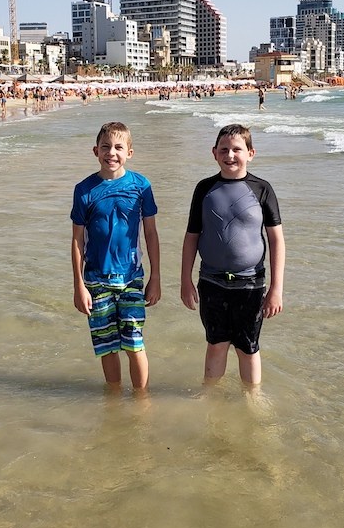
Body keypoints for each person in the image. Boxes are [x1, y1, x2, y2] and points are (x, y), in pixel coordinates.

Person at [180, 123, 285, 389]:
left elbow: (276, 240)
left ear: (251, 153)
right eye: (224, 149)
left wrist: (276, 289)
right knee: (216, 343)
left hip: (250, 284)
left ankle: (252, 398)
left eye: (237, 149)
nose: (230, 155)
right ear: (214, 153)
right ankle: (209, 395)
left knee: (247, 347)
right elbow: (191, 236)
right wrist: (185, 281)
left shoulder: (262, 189)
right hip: (211, 282)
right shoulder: (204, 189)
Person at [70, 121, 161, 392]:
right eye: (106, 147)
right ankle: (113, 396)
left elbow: (151, 234)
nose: (112, 153)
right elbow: (77, 240)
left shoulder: (141, 186)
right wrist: (78, 285)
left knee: (134, 342)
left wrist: (156, 277)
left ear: (129, 152)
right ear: (95, 151)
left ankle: (141, 400)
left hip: (131, 277)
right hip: (95, 279)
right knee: (106, 344)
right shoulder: (84, 190)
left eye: (119, 147)